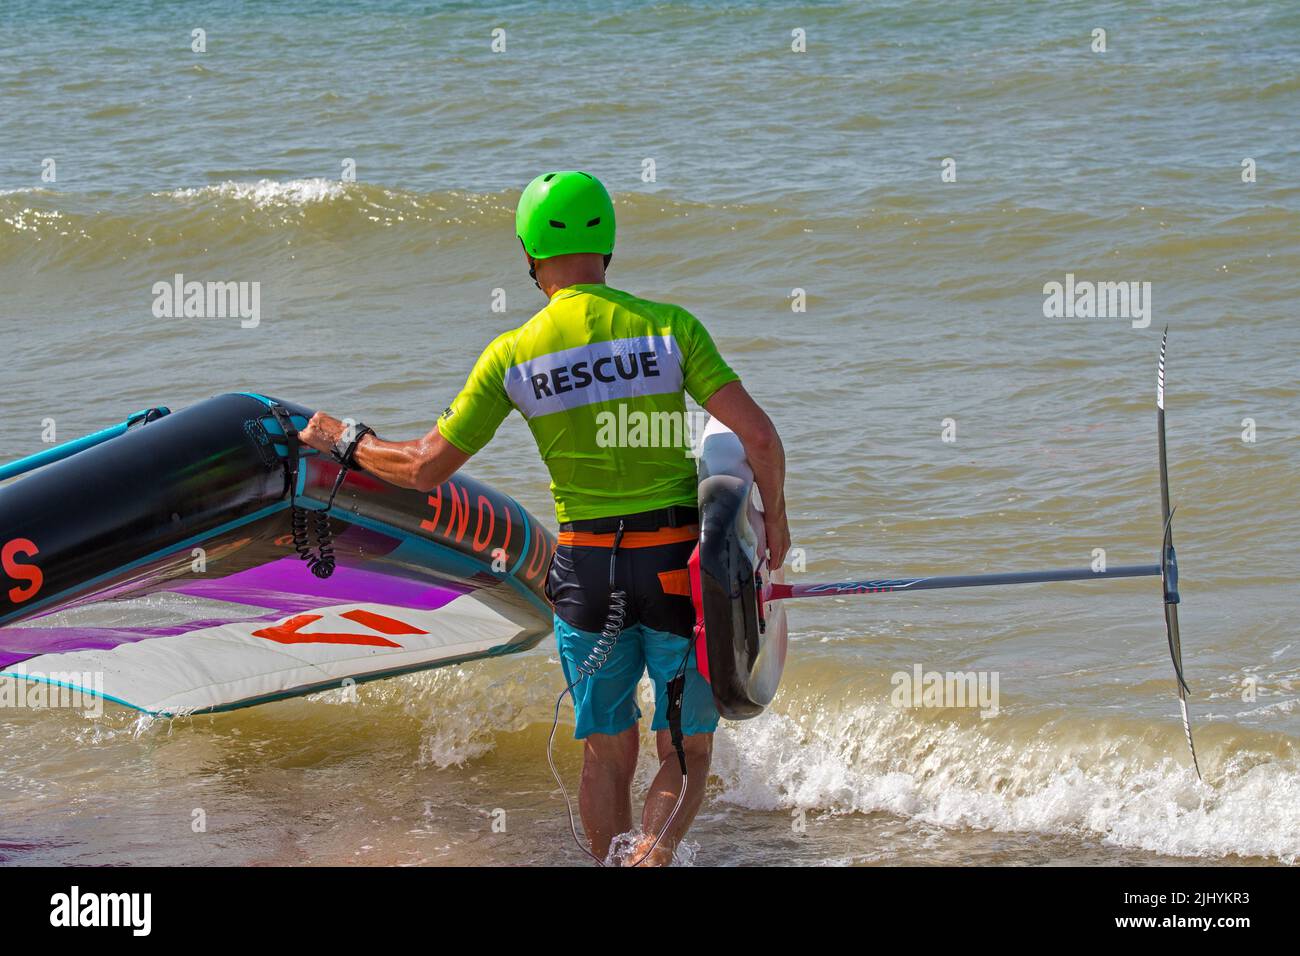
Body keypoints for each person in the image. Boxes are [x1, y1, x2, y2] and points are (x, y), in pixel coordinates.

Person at [300, 170, 789, 865]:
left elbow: (425, 467)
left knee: (605, 752)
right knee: (684, 748)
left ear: (529, 253)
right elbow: (761, 439)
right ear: (609, 242)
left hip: (587, 578)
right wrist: (776, 523)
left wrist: (346, 441)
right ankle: (650, 854)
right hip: (679, 572)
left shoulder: (513, 355)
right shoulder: (670, 328)